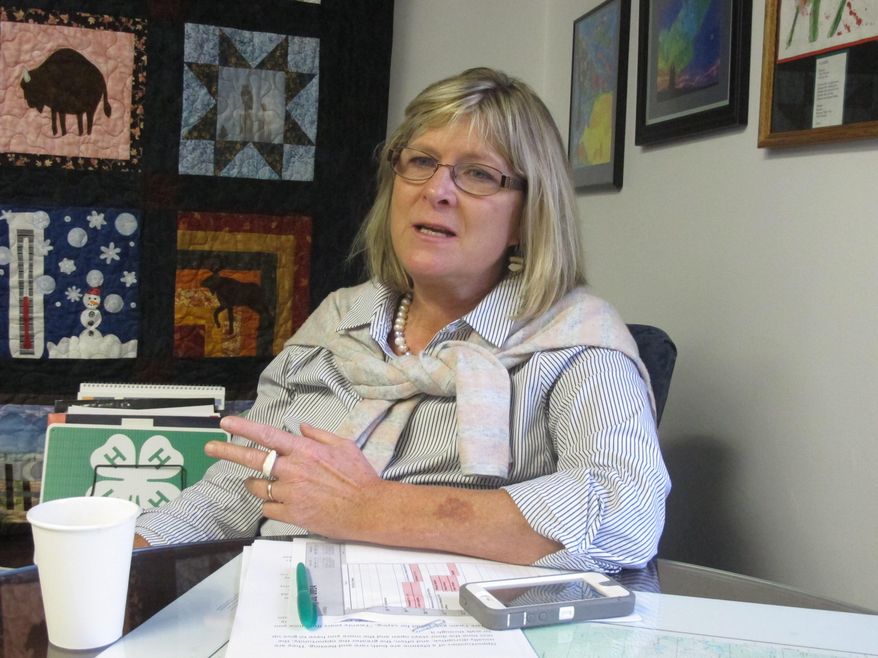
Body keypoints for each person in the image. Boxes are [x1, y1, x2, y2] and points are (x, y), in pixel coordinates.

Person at [135, 67, 670, 573]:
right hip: (284, 609)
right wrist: (110, 560)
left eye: (479, 174)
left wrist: (372, 508)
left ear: (529, 215)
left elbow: (627, 514)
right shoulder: (337, 320)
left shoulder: (578, 338)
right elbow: (236, 492)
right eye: (420, 162)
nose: (435, 190)